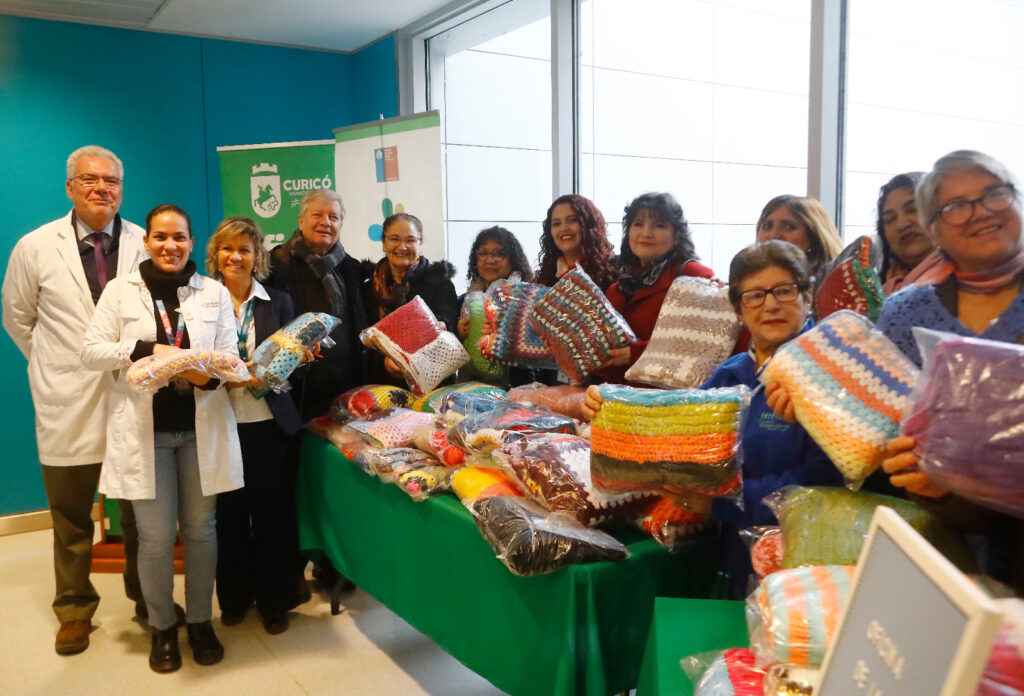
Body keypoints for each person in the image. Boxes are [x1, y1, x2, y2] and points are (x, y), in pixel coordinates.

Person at [584, 241, 841, 597]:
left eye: (784, 290)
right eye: (754, 296)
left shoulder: (829, 373)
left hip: (811, 572)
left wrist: (720, 504)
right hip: (739, 561)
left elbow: (823, 483)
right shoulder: (732, 375)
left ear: (807, 296)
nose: (770, 305)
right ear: (738, 310)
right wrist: (610, 407)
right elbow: (677, 431)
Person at [82, 204, 242, 672]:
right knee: (154, 537)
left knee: (201, 530)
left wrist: (198, 372)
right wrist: (148, 350)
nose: (170, 246)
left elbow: (229, 357)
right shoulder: (121, 290)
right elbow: (91, 352)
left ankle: (200, 622)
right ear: (146, 241)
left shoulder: (213, 291)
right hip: (145, 432)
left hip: (199, 431)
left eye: (179, 237)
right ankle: (162, 628)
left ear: (191, 242)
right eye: (160, 236)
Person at [1, 145, 148, 655]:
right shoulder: (35, 247)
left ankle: (146, 599)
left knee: (141, 511)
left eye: (111, 180)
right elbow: (17, 318)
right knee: (69, 514)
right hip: (67, 396)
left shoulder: (145, 242)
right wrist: (55, 364)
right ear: (69, 187)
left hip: (131, 393)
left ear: (122, 189)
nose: (101, 188)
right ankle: (74, 609)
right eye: (89, 179)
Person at [876, 150, 1024, 594]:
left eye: (994, 194)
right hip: (939, 553)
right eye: (957, 206)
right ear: (934, 228)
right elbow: (880, 429)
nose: (980, 213)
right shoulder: (904, 313)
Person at [205, 217, 307, 635]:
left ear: (257, 256)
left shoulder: (278, 302)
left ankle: (273, 601)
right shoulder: (201, 303)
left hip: (269, 425)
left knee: (271, 517)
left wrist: (297, 358)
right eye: (228, 248)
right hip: (220, 425)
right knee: (228, 516)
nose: (236, 257)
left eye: (245, 249)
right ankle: (234, 598)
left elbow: (292, 359)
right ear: (216, 255)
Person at [264, 188, 372, 422]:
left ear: (341, 225)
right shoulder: (274, 267)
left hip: (348, 390)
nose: (326, 222)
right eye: (317, 215)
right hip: (297, 394)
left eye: (333, 217)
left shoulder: (352, 269)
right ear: (301, 221)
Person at [593, 192, 714, 385]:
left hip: (673, 399)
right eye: (638, 224)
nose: (646, 233)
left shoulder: (693, 275)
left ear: (677, 234)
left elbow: (706, 344)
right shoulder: (616, 289)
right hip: (618, 398)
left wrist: (636, 353)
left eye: (659, 225)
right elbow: (607, 364)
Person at [365, 213, 459, 384]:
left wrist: (440, 325)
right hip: (383, 385)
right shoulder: (369, 287)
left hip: (433, 383)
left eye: (410, 240)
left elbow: (448, 318)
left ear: (420, 242)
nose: (402, 247)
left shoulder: (439, 282)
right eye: (394, 239)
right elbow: (365, 338)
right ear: (384, 242)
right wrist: (384, 362)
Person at [455, 226, 536, 387]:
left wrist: (508, 332)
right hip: (470, 389)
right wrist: (458, 335)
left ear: (513, 260)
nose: (490, 260)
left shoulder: (526, 297)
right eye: (483, 253)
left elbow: (539, 351)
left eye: (499, 254)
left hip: (517, 388)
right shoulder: (465, 301)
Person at [876, 172, 942, 294]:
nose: (902, 224)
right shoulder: (874, 290)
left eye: (912, 210)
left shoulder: (969, 279)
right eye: (890, 219)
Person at [755, 195, 843, 284]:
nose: (774, 235)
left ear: (813, 237)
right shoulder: (749, 279)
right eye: (767, 226)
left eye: (788, 226)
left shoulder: (832, 285)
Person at [536, 194, 617, 289]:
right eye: (556, 223)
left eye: (572, 220)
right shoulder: (547, 275)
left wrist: (566, 276)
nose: (564, 228)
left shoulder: (613, 271)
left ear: (589, 224)